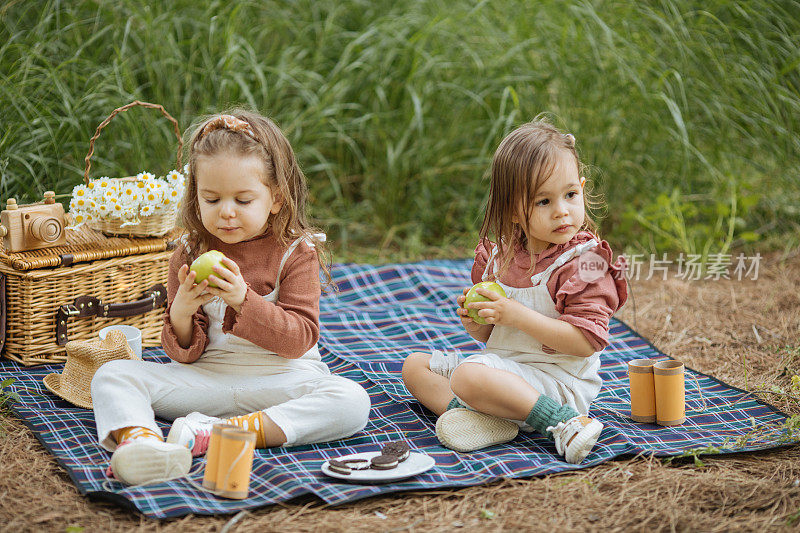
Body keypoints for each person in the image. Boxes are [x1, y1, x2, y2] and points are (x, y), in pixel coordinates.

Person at [91, 111, 371, 485]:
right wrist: (182, 311)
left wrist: (244, 300)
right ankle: (143, 444)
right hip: (209, 380)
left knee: (351, 399)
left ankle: (219, 433)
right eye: (212, 199)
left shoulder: (296, 251)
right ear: (197, 196)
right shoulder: (190, 252)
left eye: (242, 200)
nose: (226, 212)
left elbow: (299, 339)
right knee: (113, 374)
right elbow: (182, 353)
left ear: (275, 198)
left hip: (283, 379)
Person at [402, 120, 627, 464]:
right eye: (543, 201)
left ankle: (562, 423)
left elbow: (586, 342)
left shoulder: (584, 264)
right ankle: (489, 419)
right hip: (505, 370)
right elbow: (493, 337)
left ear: (582, 188)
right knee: (414, 367)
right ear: (513, 211)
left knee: (467, 375)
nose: (562, 210)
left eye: (570, 195)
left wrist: (515, 314)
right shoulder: (499, 257)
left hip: (558, 382)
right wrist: (477, 322)